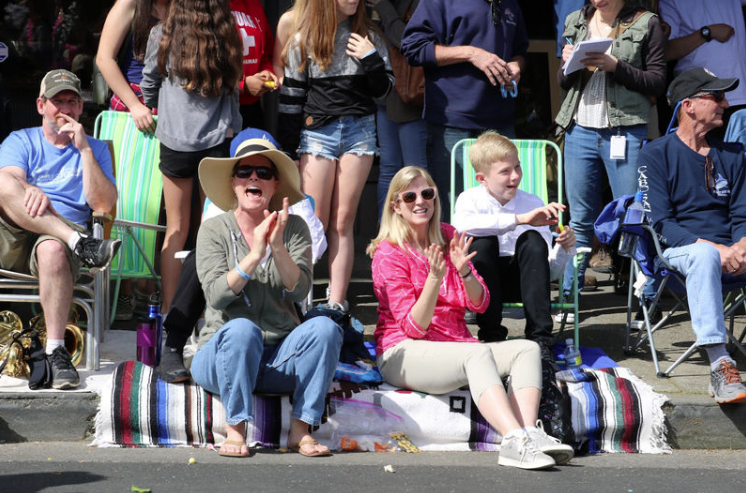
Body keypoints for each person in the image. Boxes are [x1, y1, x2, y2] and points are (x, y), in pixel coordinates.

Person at [367, 166, 574, 470]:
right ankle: (513, 440)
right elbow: (413, 327)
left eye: (427, 193)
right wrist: (435, 279)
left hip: (454, 346)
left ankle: (529, 432)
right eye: (409, 196)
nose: (420, 201)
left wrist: (463, 272)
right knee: (476, 353)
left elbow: (480, 303)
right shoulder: (389, 253)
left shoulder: (449, 236)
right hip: (403, 352)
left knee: (527, 349)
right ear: (395, 206)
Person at [192, 128, 343, 458]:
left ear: (275, 185)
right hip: (220, 357)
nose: (254, 177)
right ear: (233, 183)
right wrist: (254, 253)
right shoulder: (213, 230)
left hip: (279, 359)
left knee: (326, 328)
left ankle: (300, 430)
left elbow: (300, 289)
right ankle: (235, 429)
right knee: (243, 329)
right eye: (244, 171)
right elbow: (217, 296)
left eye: (264, 172)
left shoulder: (295, 229)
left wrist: (277, 247)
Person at [0, 69, 121, 389]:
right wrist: (28, 187)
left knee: (53, 247)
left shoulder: (95, 149)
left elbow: (104, 205)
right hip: (15, 232)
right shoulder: (20, 139)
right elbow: (8, 180)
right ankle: (81, 243)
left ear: (81, 108)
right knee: (1, 181)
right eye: (57, 101)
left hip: (57, 239)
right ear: (41, 105)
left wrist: (83, 151)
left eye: (72, 101)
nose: (65, 109)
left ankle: (56, 350)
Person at [637, 67, 746, 404]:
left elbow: (742, 213)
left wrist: (741, 246)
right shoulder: (655, 154)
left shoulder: (732, 155)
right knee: (704, 255)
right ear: (689, 105)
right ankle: (720, 363)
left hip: (733, 251)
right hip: (681, 252)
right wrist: (717, 250)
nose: (726, 104)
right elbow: (661, 223)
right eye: (716, 97)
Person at [278, 0, 393, 312]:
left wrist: (370, 59)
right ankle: (300, 301)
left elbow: (384, 91)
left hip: (360, 131)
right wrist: (287, 152)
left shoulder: (371, 36)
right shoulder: (304, 38)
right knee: (312, 222)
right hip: (317, 133)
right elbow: (290, 97)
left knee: (343, 222)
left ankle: (336, 303)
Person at [555, 0, 666, 320]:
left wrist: (615, 65)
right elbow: (564, 81)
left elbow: (657, 81)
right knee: (579, 218)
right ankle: (568, 298)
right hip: (579, 130)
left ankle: (647, 298)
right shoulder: (576, 19)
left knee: (635, 218)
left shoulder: (647, 23)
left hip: (626, 129)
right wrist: (566, 63)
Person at [140, 0, 243, 314]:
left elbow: (148, 85)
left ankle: (172, 313)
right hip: (216, 145)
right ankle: (208, 311)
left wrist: (170, 110)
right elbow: (234, 87)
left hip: (174, 143)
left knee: (175, 229)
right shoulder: (227, 34)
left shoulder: (162, 33)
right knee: (212, 230)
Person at [452, 132, 577, 357]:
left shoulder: (533, 202)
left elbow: (550, 271)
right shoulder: (468, 199)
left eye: (517, 167)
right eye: (505, 171)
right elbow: (462, 227)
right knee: (481, 243)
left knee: (532, 240)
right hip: (481, 287)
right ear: (482, 179)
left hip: (526, 284)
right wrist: (520, 219)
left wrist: (564, 248)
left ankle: (540, 341)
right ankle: (492, 337)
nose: (515, 176)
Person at [400, 0, 529, 219]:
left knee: (507, 206)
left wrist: (516, 67)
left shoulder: (510, 4)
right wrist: (471, 53)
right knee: (453, 210)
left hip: (501, 121)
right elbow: (413, 48)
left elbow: (519, 52)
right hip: (452, 124)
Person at [96, 0, 169, 321]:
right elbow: (104, 58)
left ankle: (148, 287)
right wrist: (134, 104)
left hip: (175, 113)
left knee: (164, 206)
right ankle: (125, 291)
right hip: (132, 113)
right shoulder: (129, 3)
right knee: (129, 204)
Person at [366, 0, 428, 219]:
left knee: (415, 172)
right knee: (389, 170)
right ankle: (388, 237)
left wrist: (382, 6)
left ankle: (421, 237)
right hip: (386, 92)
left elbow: (407, 41)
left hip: (409, 92)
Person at [658, 0, 746, 133]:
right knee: (703, 151)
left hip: (739, 95)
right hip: (701, 98)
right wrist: (707, 32)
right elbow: (666, 51)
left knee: (737, 151)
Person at [230, 0, 280, 129]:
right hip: (220, 107)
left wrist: (266, 71)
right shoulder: (207, 7)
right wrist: (243, 84)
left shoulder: (254, 4)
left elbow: (266, 53)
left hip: (252, 107)